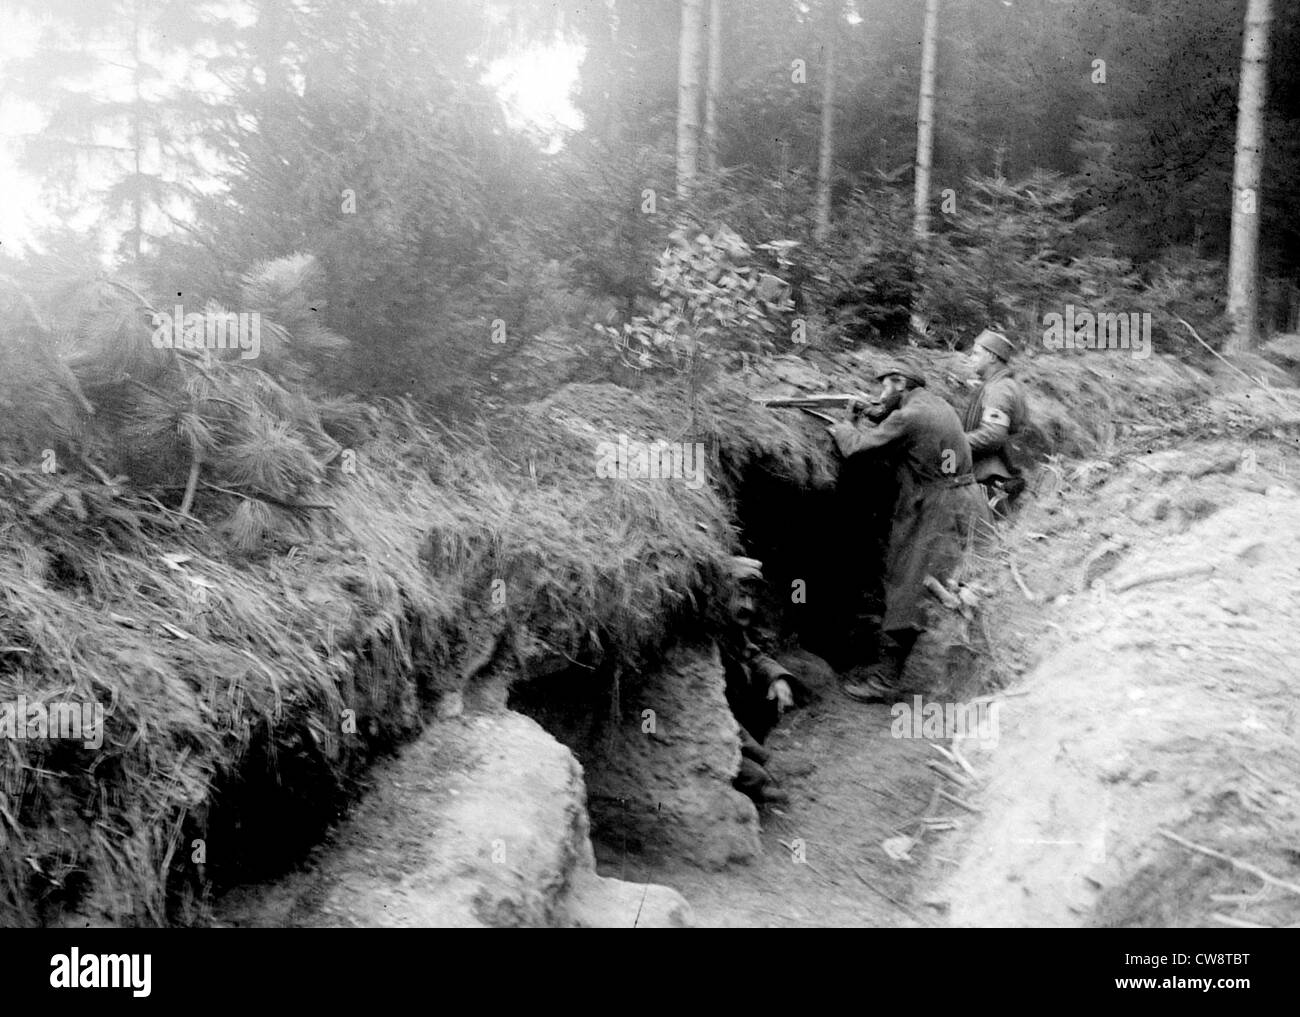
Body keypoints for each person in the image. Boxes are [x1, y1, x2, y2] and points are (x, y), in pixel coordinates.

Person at [826, 359, 990, 702]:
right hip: (963, 500)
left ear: (900, 383)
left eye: (884, 386)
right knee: (945, 584)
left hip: (938, 508)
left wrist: (844, 428)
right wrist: (877, 413)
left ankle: (886, 679)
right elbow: (911, 431)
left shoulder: (908, 416)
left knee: (909, 587)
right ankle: (970, 665)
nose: (880, 393)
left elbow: (857, 449)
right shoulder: (934, 404)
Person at [720, 556, 803, 806]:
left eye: (752, 598)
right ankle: (751, 773)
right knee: (756, 779)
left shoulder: (734, 630)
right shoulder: (709, 633)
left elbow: (754, 656)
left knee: (769, 689)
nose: (748, 606)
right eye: (741, 596)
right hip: (715, 729)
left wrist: (778, 679)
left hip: (735, 729)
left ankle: (751, 762)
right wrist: (763, 756)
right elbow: (716, 714)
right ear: (723, 593)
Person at [962, 328, 1029, 512]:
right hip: (990, 475)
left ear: (992, 357)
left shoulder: (999, 389)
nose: (971, 358)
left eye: (976, 354)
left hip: (991, 478)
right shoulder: (997, 385)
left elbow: (993, 435)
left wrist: (956, 440)